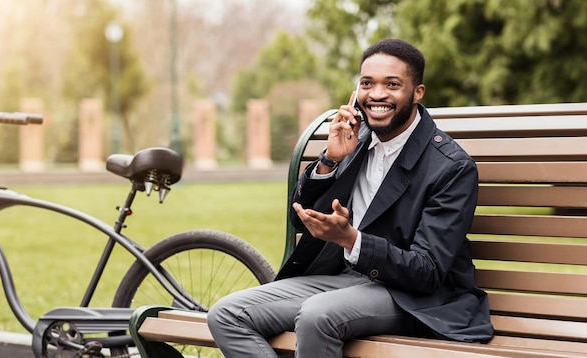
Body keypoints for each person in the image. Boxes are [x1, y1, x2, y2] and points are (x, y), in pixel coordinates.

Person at [207, 38, 493, 357]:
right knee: (226, 314)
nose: (377, 94)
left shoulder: (451, 167)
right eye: (367, 83)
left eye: (392, 84)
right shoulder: (355, 143)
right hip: (341, 282)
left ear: (418, 93)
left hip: (415, 298)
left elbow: (427, 271)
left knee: (317, 315)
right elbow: (299, 219)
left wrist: (352, 240)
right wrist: (330, 160)